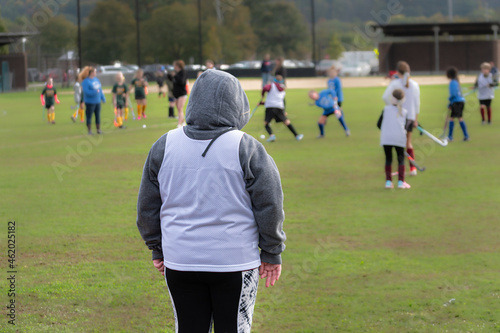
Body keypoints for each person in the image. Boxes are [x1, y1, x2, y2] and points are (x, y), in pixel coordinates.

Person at [137, 69, 286, 332]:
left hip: (181, 261)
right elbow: (269, 204)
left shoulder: (164, 144)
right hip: (235, 262)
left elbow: (147, 207)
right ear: (237, 104)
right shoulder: (247, 147)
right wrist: (272, 250)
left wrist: (156, 247)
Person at [382, 61, 420, 176]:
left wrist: (393, 107)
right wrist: (415, 119)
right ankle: (412, 168)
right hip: (410, 118)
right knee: (408, 143)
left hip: (398, 117)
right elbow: (417, 103)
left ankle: (402, 167)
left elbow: (384, 97)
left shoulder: (395, 84)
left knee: (400, 145)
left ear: (398, 72)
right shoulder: (415, 84)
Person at [379, 89, 410, 189]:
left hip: (386, 138)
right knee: (400, 159)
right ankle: (401, 182)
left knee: (388, 159)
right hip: (399, 138)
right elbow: (407, 127)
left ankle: (388, 182)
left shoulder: (386, 109)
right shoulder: (404, 112)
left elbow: (379, 124)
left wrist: (387, 129)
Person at [261, 75, 303, 142]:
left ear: (274, 80)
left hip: (270, 107)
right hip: (279, 107)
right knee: (286, 122)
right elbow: (282, 101)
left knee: (266, 123)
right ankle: (297, 135)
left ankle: (271, 136)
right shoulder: (283, 89)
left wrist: (262, 95)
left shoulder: (271, 85)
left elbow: (265, 88)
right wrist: (283, 111)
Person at [446, 67, 469, 141]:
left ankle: (450, 137)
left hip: (456, 102)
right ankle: (466, 136)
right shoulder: (456, 81)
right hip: (460, 101)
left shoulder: (453, 82)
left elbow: (453, 94)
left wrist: (450, 102)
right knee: (459, 118)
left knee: (452, 118)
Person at [81, 67, 106, 135]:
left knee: (97, 115)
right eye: (95, 71)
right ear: (91, 73)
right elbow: (86, 92)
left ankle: (98, 130)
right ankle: (89, 130)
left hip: (97, 101)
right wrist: (95, 92)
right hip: (90, 102)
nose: (95, 73)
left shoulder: (96, 80)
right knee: (89, 116)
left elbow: (100, 90)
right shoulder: (86, 81)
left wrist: (103, 98)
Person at [169, 60, 188, 128]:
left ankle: (179, 124)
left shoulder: (182, 73)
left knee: (180, 108)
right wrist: (170, 75)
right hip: (176, 94)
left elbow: (182, 82)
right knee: (179, 109)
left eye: (175, 65)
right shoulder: (177, 73)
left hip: (182, 93)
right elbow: (172, 80)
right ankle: (183, 122)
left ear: (178, 66)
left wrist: (175, 76)